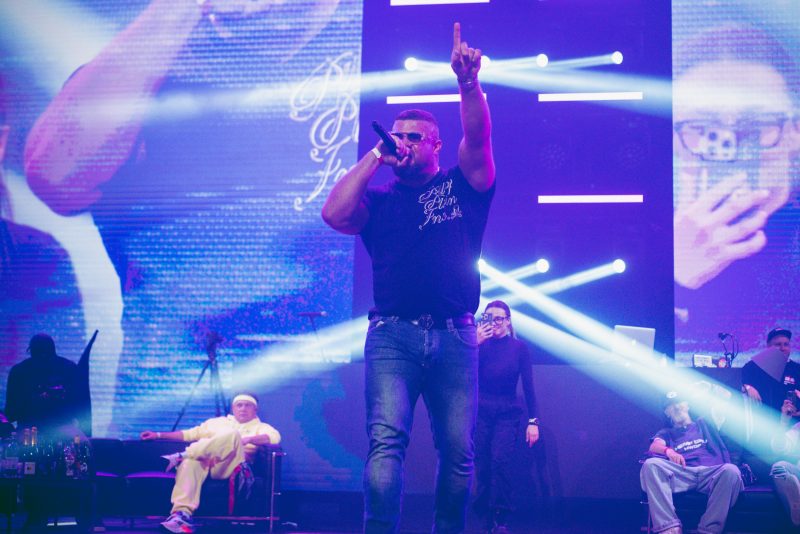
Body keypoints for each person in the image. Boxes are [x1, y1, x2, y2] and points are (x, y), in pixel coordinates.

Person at [21, 0, 352, 438]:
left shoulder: (353, 40)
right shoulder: (157, 66)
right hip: (172, 376)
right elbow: (55, 174)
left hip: (322, 373)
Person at [321, 22, 495, 533]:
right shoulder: (378, 201)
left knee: (458, 453)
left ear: (436, 144)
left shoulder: (462, 187)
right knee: (385, 444)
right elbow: (334, 214)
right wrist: (377, 155)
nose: (403, 144)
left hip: (455, 334)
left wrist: (468, 83)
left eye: (413, 137)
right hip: (392, 335)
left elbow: (478, 138)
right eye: (397, 136)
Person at [672, 20, 800, 360]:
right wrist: (676, 280)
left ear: (795, 132)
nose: (733, 148)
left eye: (756, 125)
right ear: (676, 140)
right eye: (702, 127)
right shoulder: (646, 241)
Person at [140, 392, 281, 534]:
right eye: (239, 405)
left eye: (248, 405)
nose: (243, 409)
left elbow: (274, 438)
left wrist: (248, 439)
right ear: (233, 408)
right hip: (208, 463)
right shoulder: (218, 422)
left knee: (233, 435)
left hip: (234, 466)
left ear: (255, 409)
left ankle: (181, 455)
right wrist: (158, 435)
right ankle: (181, 515)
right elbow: (189, 434)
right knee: (190, 462)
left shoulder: (262, 427)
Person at [473, 300, 538, 533]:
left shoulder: (519, 348)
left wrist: (533, 421)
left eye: (499, 318)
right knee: (482, 462)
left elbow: (528, 385)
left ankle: (501, 516)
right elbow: (462, 374)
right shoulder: (476, 345)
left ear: (508, 321)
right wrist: (474, 344)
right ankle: (484, 513)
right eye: (489, 317)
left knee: (500, 460)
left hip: (507, 412)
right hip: (480, 410)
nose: (494, 323)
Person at [640, 391, 743, 534]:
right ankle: (670, 528)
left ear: (687, 405)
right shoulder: (666, 432)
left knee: (731, 470)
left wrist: (745, 387)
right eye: (670, 405)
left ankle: (708, 530)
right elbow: (654, 446)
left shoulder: (705, 423)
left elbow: (725, 397)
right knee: (650, 464)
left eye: (679, 402)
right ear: (667, 412)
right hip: (683, 474)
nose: (676, 407)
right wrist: (669, 451)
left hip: (711, 474)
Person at [4, 333, 84, 441]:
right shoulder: (69, 368)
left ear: (30, 350)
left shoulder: (19, 371)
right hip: (54, 431)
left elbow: (11, 413)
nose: (43, 357)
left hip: (33, 431)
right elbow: (79, 408)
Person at [742, 328, 799, 415]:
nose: (783, 348)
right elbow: (744, 374)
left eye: (786, 344)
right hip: (763, 418)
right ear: (769, 347)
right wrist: (748, 386)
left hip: (789, 420)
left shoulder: (796, 368)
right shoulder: (757, 365)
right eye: (778, 344)